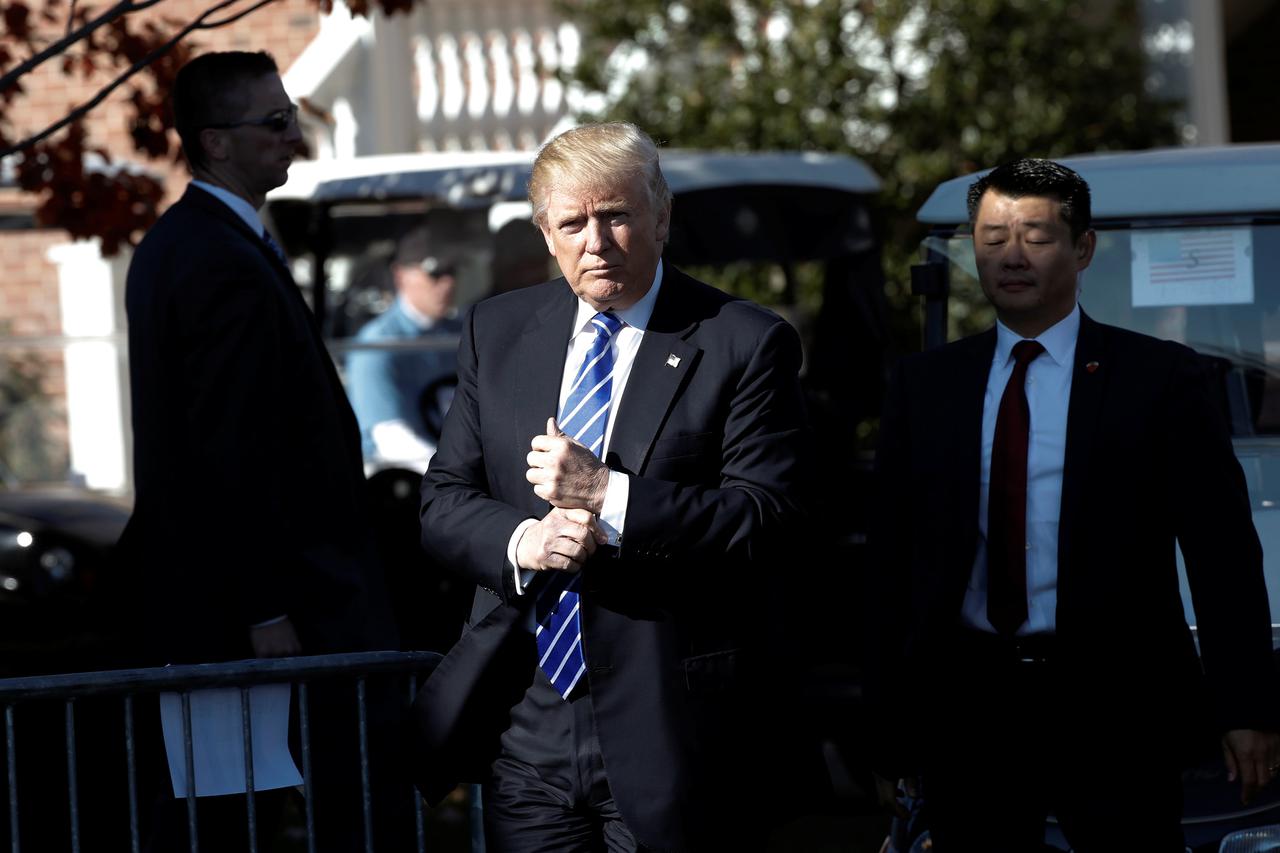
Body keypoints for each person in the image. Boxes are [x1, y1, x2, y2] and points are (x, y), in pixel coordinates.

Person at [410, 121, 809, 851]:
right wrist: (524, 539)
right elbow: (443, 500)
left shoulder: (742, 340)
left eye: (617, 215)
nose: (596, 240)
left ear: (661, 216)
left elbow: (765, 516)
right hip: (526, 714)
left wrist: (606, 493)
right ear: (546, 233)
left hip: (670, 719)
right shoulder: (495, 331)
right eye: (573, 222)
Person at [866, 158, 1280, 851]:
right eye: (993, 238)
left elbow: (1223, 554)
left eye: (1036, 236)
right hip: (970, 708)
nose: (1012, 256)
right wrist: (884, 719)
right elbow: (891, 562)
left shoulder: (1161, 379)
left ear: (1082, 248)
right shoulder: (924, 385)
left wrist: (1246, 709)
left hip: (1118, 710)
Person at [119, 50, 404, 851]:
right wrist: (263, 604)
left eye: (293, 118)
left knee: (243, 811)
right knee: (256, 816)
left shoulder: (196, 244)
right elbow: (227, 447)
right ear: (215, 142)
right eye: (274, 123)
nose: (292, 137)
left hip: (249, 602)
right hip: (267, 610)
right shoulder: (214, 258)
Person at [347, 226, 462, 471]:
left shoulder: (463, 332)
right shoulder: (377, 344)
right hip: (403, 484)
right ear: (400, 276)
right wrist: (455, 477)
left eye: (452, 271)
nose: (447, 282)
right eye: (435, 272)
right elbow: (389, 437)